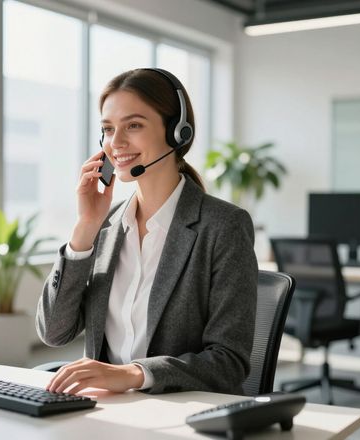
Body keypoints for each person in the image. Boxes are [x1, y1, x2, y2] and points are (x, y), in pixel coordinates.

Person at [36, 68, 257, 395]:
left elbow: (229, 363)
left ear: (177, 132)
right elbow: (54, 332)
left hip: (181, 415)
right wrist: (84, 229)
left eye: (134, 125)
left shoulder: (223, 226)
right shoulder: (106, 226)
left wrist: (136, 374)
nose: (116, 142)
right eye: (108, 129)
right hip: (108, 412)